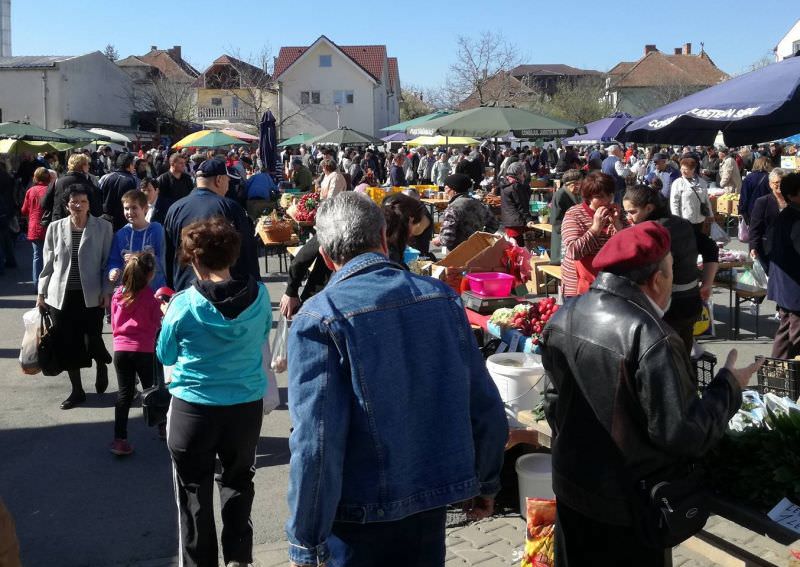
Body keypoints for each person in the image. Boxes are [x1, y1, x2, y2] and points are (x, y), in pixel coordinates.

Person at [285, 192, 507, 566]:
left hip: (358, 515)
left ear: (326, 256)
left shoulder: (320, 316)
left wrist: (306, 540)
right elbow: (484, 402)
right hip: (430, 499)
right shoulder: (440, 297)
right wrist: (485, 480)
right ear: (385, 239)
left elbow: (316, 442)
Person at [541, 220, 759, 567]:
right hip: (627, 505)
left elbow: (554, 405)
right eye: (671, 272)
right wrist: (730, 386)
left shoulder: (566, 314)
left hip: (573, 486)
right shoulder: (652, 335)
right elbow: (681, 433)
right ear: (657, 279)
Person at [158, 217, 271, 567]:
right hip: (244, 405)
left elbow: (166, 354)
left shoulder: (183, 303)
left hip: (194, 407)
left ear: (194, 259)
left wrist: (166, 317)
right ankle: (238, 556)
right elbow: (263, 334)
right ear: (231, 256)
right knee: (239, 482)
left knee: (193, 494)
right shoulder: (260, 294)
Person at [37, 185, 113, 409]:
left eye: (83, 202)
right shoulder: (55, 227)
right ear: (66, 204)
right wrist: (41, 293)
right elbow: (47, 263)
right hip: (60, 296)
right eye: (74, 202)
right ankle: (77, 391)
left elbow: (108, 262)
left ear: (90, 204)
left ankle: (102, 362)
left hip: (92, 294)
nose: (78, 206)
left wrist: (106, 290)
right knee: (67, 342)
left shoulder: (103, 227)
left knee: (93, 338)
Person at [623, 185, 719, 354]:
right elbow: (711, 248)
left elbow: (635, 265)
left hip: (666, 308)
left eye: (632, 212)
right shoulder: (682, 224)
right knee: (684, 355)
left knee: (666, 359)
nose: (628, 217)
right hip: (690, 302)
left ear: (649, 208)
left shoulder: (651, 231)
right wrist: (707, 283)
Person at [163, 159, 259, 291]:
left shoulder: (175, 209)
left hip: (185, 290)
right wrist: (256, 287)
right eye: (227, 179)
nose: (229, 183)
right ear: (219, 180)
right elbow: (247, 252)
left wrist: (170, 290)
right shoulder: (230, 208)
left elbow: (168, 255)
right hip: (224, 292)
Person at [109, 252, 162, 456]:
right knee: (152, 389)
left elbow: (114, 322)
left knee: (124, 394)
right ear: (149, 275)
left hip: (121, 350)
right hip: (144, 350)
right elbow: (156, 322)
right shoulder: (150, 297)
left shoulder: (117, 294)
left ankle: (119, 439)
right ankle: (162, 426)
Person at [561, 172, 626, 298]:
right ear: (589, 197)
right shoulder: (574, 214)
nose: (607, 200)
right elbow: (575, 252)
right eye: (600, 197)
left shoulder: (618, 213)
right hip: (580, 286)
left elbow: (628, 246)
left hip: (610, 284)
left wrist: (617, 224)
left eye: (610, 195)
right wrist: (596, 228)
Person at [767, 173, 800, 359]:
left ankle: (776, 373)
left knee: (785, 327)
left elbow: (768, 246)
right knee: (796, 332)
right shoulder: (794, 217)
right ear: (793, 195)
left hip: (783, 282)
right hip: (794, 284)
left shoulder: (784, 215)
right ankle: (792, 377)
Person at [108, 190, 166, 291]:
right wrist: (113, 270)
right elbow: (114, 259)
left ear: (145, 208)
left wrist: (139, 259)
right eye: (126, 208)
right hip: (128, 292)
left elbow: (164, 260)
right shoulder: (121, 234)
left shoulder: (157, 230)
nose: (130, 212)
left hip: (153, 291)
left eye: (134, 208)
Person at [433, 173, 499, 251]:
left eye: (446, 188)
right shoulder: (478, 203)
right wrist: (480, 237)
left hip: (458, 251)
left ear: (453, 190)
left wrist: (438, 240)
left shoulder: (453, 208)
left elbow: (447, 238)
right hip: (476, 248)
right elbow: (494, 224)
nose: (445, 191)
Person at [41, 153, 103, 225]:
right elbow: (97, 209)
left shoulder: (58, 181)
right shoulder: (88, 184)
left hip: (59, 223)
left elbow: (44, 203)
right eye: (87, 164)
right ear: (81, 166)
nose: (89, 166)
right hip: (81, 224)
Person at [749, 168, 788, 273]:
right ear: (770, 184)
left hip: (790, 249)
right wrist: (753, 246)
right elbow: (754, 227)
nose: (780, 185)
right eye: (776, 182)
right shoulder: (762, 202)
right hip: (768, 249)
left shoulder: (793, 201)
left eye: (783, 182)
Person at [381, 193, 431, 266]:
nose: (411, 234)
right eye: (415, 225)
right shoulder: (392, 253)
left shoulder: (379, 239)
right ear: (411, 220)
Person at [21, 167, 52, 284]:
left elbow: (24, 210)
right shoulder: (50, 190)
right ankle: (48, 283)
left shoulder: (31, 191)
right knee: (50, 256)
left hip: (34, 226)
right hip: (49, 225)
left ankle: (37, 284)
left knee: (37, 256)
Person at [670, 157, 711, 239]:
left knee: (697, 240)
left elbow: (706, 199)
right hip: (685, 219)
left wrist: (711, 214)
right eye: (682, 169)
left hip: (700, 219)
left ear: (693, 169)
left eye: (686, 169)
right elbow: (674, 202)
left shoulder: (702, 182)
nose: (683, 171)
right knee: (687, 241)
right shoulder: (678, 183)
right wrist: (677, 219)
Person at [549, 169, 582, 265]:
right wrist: (568, 232)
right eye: (575, 184)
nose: (578, 187)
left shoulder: (576, 194)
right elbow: (556, 220)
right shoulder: (560, 195)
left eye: (579, 184)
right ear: (568, 184)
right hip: (563, 236)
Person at [101, 153, 139, 231]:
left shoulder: (106, 177)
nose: (134, 167)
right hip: (125, 221)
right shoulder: (133, 180)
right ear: (129, 165)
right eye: (133, 164)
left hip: (106, 219)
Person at [499, 161, 535, 240]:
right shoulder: (516, 186)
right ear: (519, 173)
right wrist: (528, 219)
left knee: (514, 247)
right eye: (522, 173)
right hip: (517, 223)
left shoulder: (505, 182)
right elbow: (521, 205)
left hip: (508, 222)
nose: (523, 175)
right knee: (520, 248)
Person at [739, 156, 773, 225]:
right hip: (766, 210)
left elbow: (744, 197)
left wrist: (742, 211)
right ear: (765, 164)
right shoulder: (769, 178)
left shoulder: (748, 177)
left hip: (751, 210)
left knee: (753, 233)